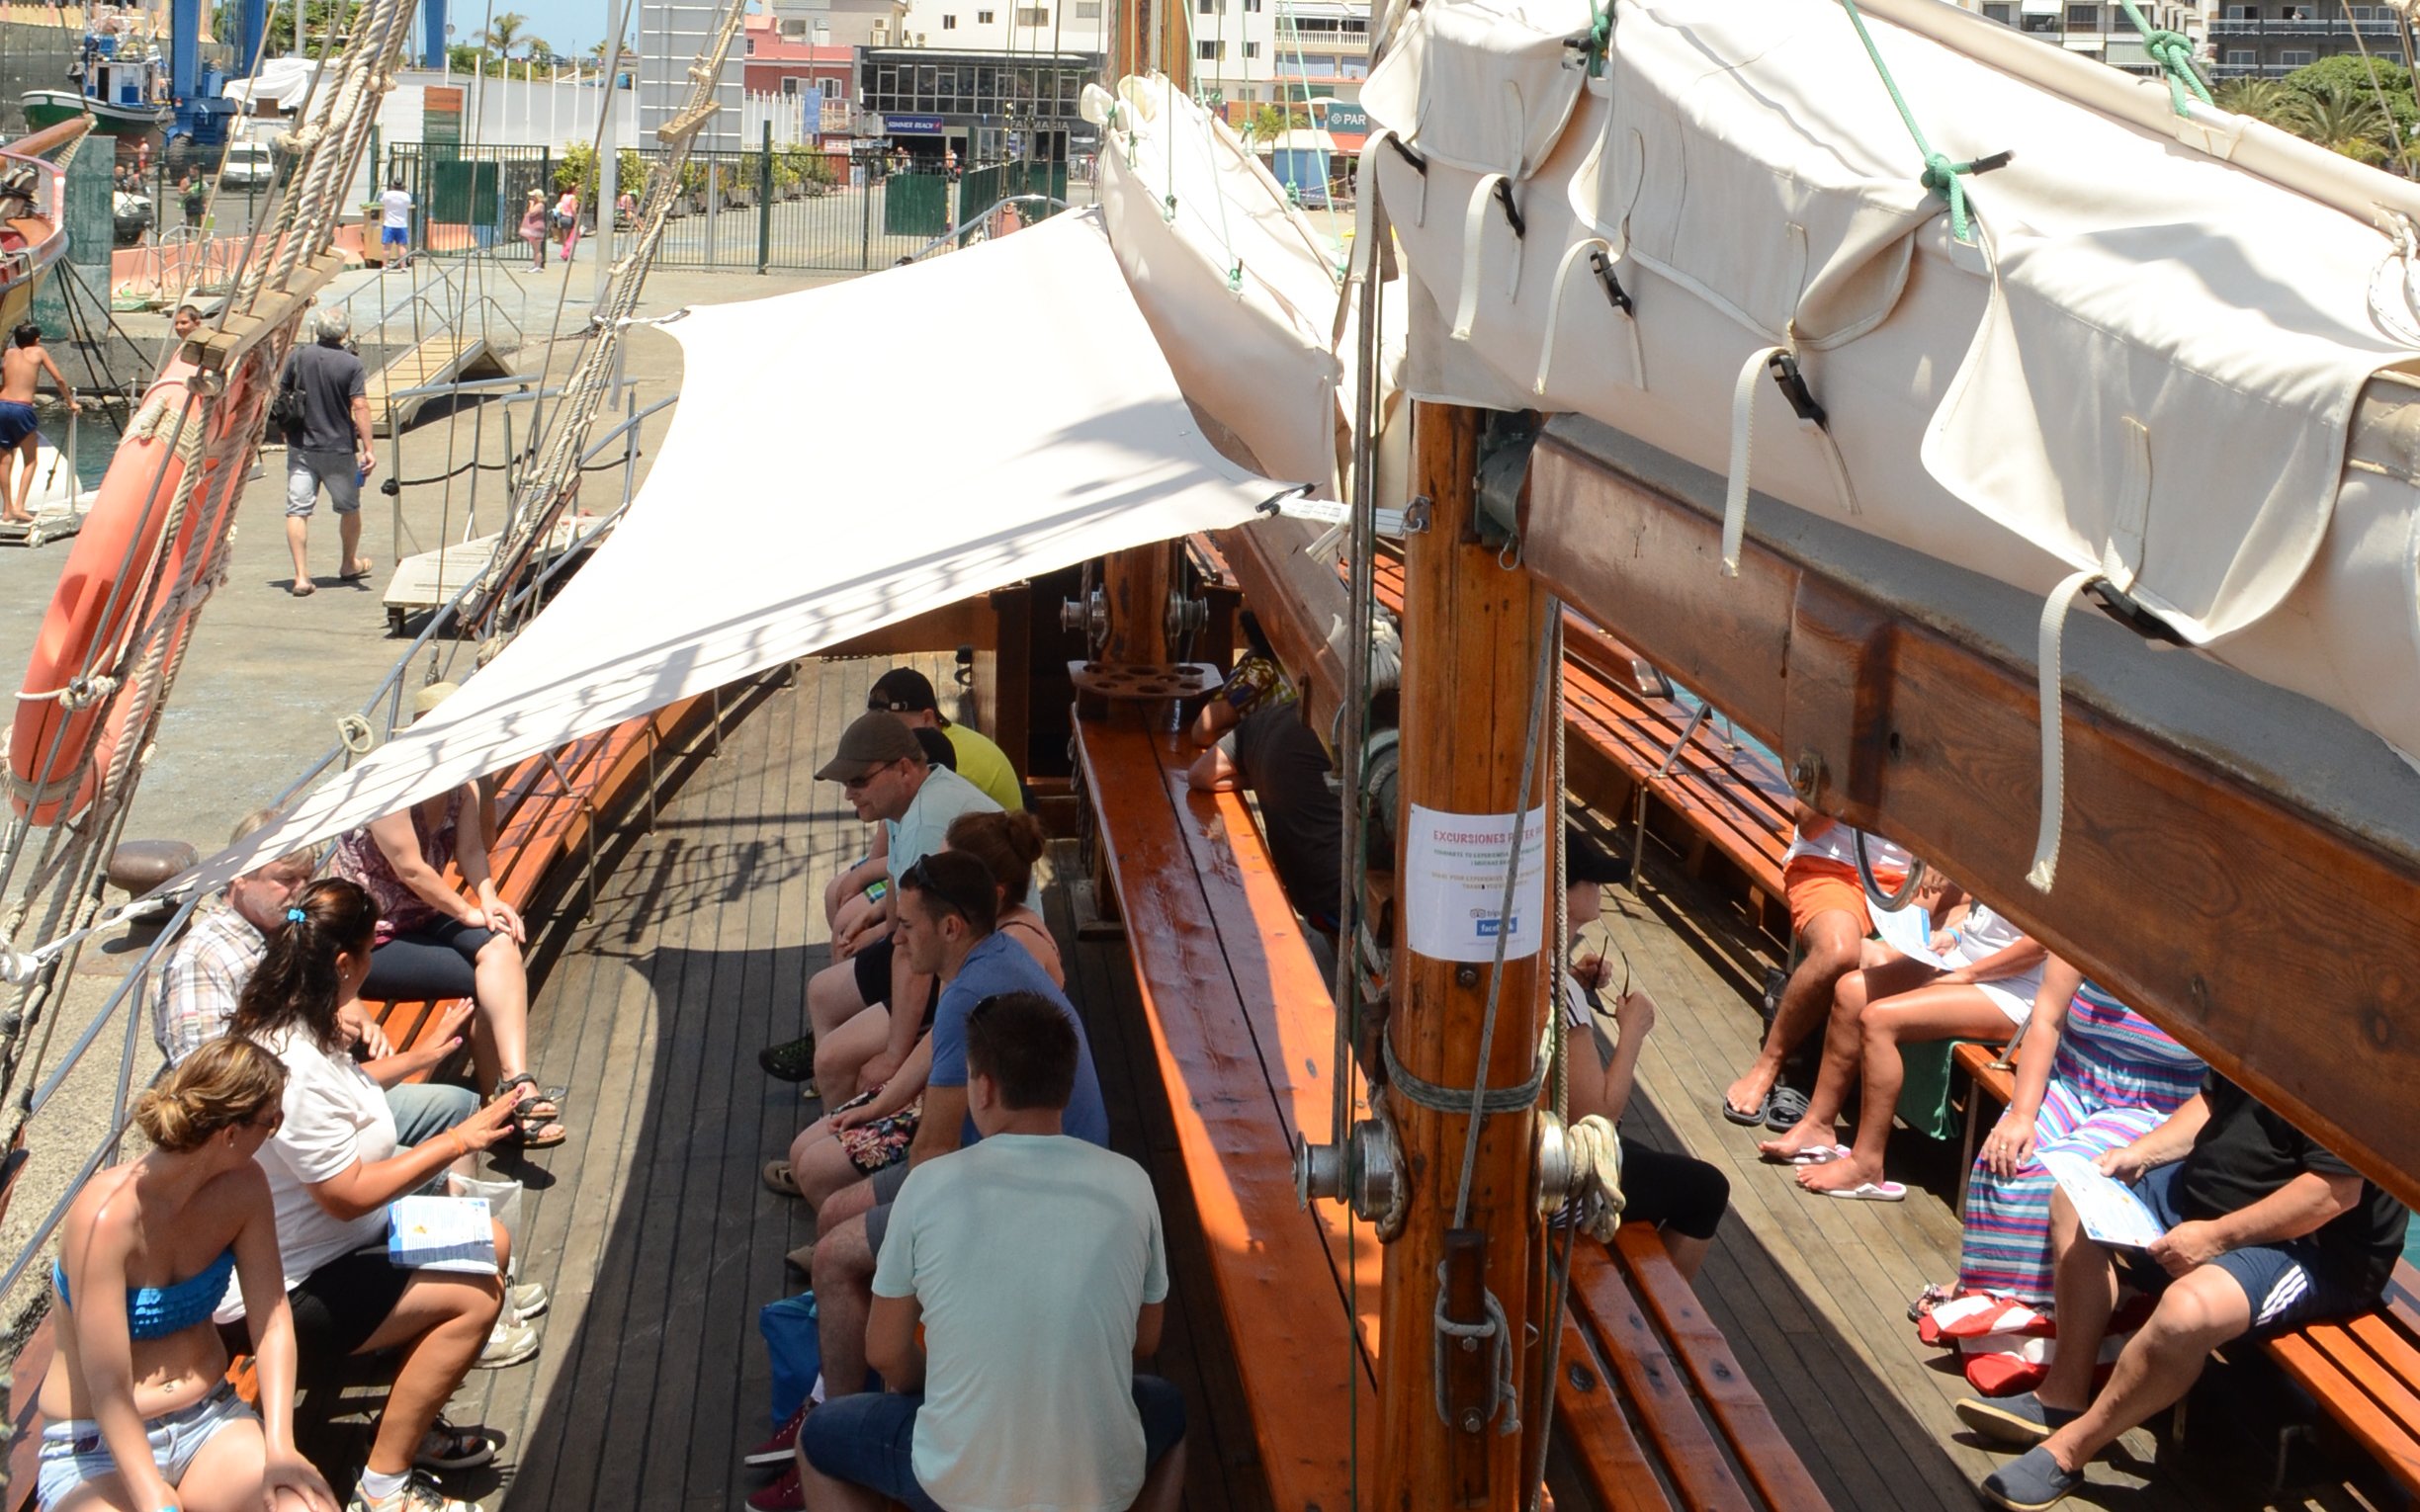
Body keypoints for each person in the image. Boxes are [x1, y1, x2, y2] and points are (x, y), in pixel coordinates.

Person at [791, 992, 1184, 1512]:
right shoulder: (1131, 1184)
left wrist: (938, 1382)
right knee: (1170, 1409)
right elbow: (1144, 1340)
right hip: (1094, 1488)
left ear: (984, 1087)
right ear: (1065, 1086)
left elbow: (885, 1353)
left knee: (817, 1441)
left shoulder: (928, 1187)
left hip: (959, 1485)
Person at [1958, 1074, 2409, 1511]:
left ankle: (2070, 1450)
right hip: (2213, 1198)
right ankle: (2063, 1395)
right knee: (2074, 1201)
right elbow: (2212, 1100)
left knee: (2185, 1311)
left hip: (2311, 1245)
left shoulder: (2361, 1062)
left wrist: (2215, 1238)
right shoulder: (2273, 1017)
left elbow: (2332, 1195)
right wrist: (2141, 1154)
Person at [226, 879, 531, 1512]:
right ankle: (383, 1486)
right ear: (345, 963)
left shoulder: (298, 1025)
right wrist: (456, 1140)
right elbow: (346, 1195)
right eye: (370, 950)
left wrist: (428, 1053)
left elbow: (351, 1085)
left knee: (488, 1239)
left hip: (338, 1246)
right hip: (292, 1289)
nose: (373, 962)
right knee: (475, 1297)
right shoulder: (293, 1066)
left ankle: (409, 1415)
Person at [808, 853, 1109, 1430]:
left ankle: (840, 1424)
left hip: (1031, 1186)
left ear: (950, 928)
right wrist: (881, 1102)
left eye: (907, 925)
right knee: (835, 1214)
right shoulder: (991, 958)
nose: (895, 935)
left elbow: (933, 1153)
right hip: (1004, 1151)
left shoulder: (969, 992)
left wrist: (913, 1256)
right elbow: (938, 1074)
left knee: (833, 1257)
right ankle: (841, 1379)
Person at [36, 1039, 336, 1512]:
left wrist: (281, 1444)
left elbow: (273, 1318)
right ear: (231, 1132)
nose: (275, 1133)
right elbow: (109, 1385)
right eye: (271, 1121)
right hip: (98, 1448)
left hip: (208, 1420)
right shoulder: (105, 1218)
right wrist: (155, 1497)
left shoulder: (245, 1189)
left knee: (305, 1506)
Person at [776, 809, 1058, 1214]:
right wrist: (880, 1103)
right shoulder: (974, 942)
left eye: (944, 872)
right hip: (969, 1092)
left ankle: (853, 1242)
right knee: (806, 1148)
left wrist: (890, 1085)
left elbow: (943, 1135)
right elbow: (944, 1037)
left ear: (988, 893)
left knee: (817, 1169)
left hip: (994, 1127)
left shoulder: (1003, 955)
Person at [757, 713, 1003, 1096]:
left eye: (859, 781)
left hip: (975, 970)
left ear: (903, 769)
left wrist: (894, 1055)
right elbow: (896, 880)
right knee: (822, 991)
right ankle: (838, 1105)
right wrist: (879, 924)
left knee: (833, 1057)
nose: (848, 794)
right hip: (946, 945)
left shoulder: (926, 822)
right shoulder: (911, 800)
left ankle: (844, 1133)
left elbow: (915, 955)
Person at [327, 778, 566, 1147]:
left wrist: (487, 899)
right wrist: (468, 913)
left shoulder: (462, 787)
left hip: (423, 913)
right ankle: (500, 1110)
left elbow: (471, 850)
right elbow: (410, 868)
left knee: (501, 945)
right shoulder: (388, 793)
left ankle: (516, 1079)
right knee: (480, 982)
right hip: (372, 935)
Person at [1758, 895, 2049, 1200]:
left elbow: (2040, 946)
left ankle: (1866, 1165)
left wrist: (1967, 975)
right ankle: (1817, 1126)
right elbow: (1982, 913)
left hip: (2017, 990)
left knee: (1879, 1020)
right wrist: (1953, 934)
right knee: (1852, 991)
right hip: (1964, 957)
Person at [1952, 965, 2207, 1306]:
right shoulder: (2093, 927)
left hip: (2153, 1105)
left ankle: (2035, 1314)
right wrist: (2021, 1114)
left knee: (2052, 1180)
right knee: (2002, 1156)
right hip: (2073, 1079)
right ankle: (1984, 1293)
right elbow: (2046, 1018)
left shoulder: (2216, 966)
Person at [1558, 828, 1730, 1278]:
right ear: (1563, 893)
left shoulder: (1539, 966)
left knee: (1657, 1172)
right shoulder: (1558, 994)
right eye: (1590, 880)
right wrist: (1632, 1032)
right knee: (1707, 1189)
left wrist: (1576, 979)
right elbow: (1596, 1117)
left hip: (1536, 1157)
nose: (1599, 889)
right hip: (1556, 1185)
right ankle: (1657, 1322)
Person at [1720, 810, 1908, 1129]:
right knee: (1839, 952)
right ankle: (1769, 1065)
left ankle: (1813, 1092)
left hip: (1912, 885)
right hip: (1833, 866)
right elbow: (1809, 825)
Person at [1186, 697, 1342, 933]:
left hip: (1308, 901)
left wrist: (1259, 777)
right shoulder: (1343, 735)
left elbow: (1200, 774)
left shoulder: (1262, 722)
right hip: (1338, 906)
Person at [276, 303, 375, 597]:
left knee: (297, 510)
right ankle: (348, 564)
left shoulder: (299, 356)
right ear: (346, 332)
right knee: (349, 508)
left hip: (301, 446)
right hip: (338, 448)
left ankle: (301, 577)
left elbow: (283, 394)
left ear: (317, 331)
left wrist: (285, 430)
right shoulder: (351, 365)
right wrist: (369, 447)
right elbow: (359, 405)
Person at [866, 668, 1020, 812]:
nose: (884, 737)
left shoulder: (953, 767)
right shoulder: (942, 743)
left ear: (927, 718)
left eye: (894, 727)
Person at [0, 322, 74, 525]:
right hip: (22, 408)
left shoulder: (8, 353)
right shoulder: (39, 352)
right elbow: (58, 379)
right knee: (30, 460)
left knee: (4, 461)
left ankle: (7, 509)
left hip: (2, 405)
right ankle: (19, 507)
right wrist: (71, 402)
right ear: (37, 339)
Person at [378, 179, 412, 270]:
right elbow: (408, 205)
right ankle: (403, 266)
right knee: (402, 246)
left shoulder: (387, 194)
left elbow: (382, 202)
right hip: (402, 224)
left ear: (392, 185)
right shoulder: (406, 196)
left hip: (389, 224)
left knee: (387, 246)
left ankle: (384, 265)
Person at [519, 191, 548, 272]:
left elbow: (532, 213)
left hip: (536, 230)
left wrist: (531, 204)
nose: (531, 198)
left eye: (533, 196)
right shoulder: (537, 205)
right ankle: (536, 265)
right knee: (535, 248)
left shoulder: (540, 205)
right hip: (533, 230)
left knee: (537, 249)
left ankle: (537, 266)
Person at [553, 186, 579, 264]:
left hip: (562, 217)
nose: (578, 191)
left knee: (564, 237)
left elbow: (560, 206)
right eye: (577, 189)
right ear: (573, 190)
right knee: (570, 238)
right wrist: (577, 219)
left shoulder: (564, 196)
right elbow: (573, 209)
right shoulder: (573, 197)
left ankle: (564, 253)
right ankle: (567, 254)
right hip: (569, 217)